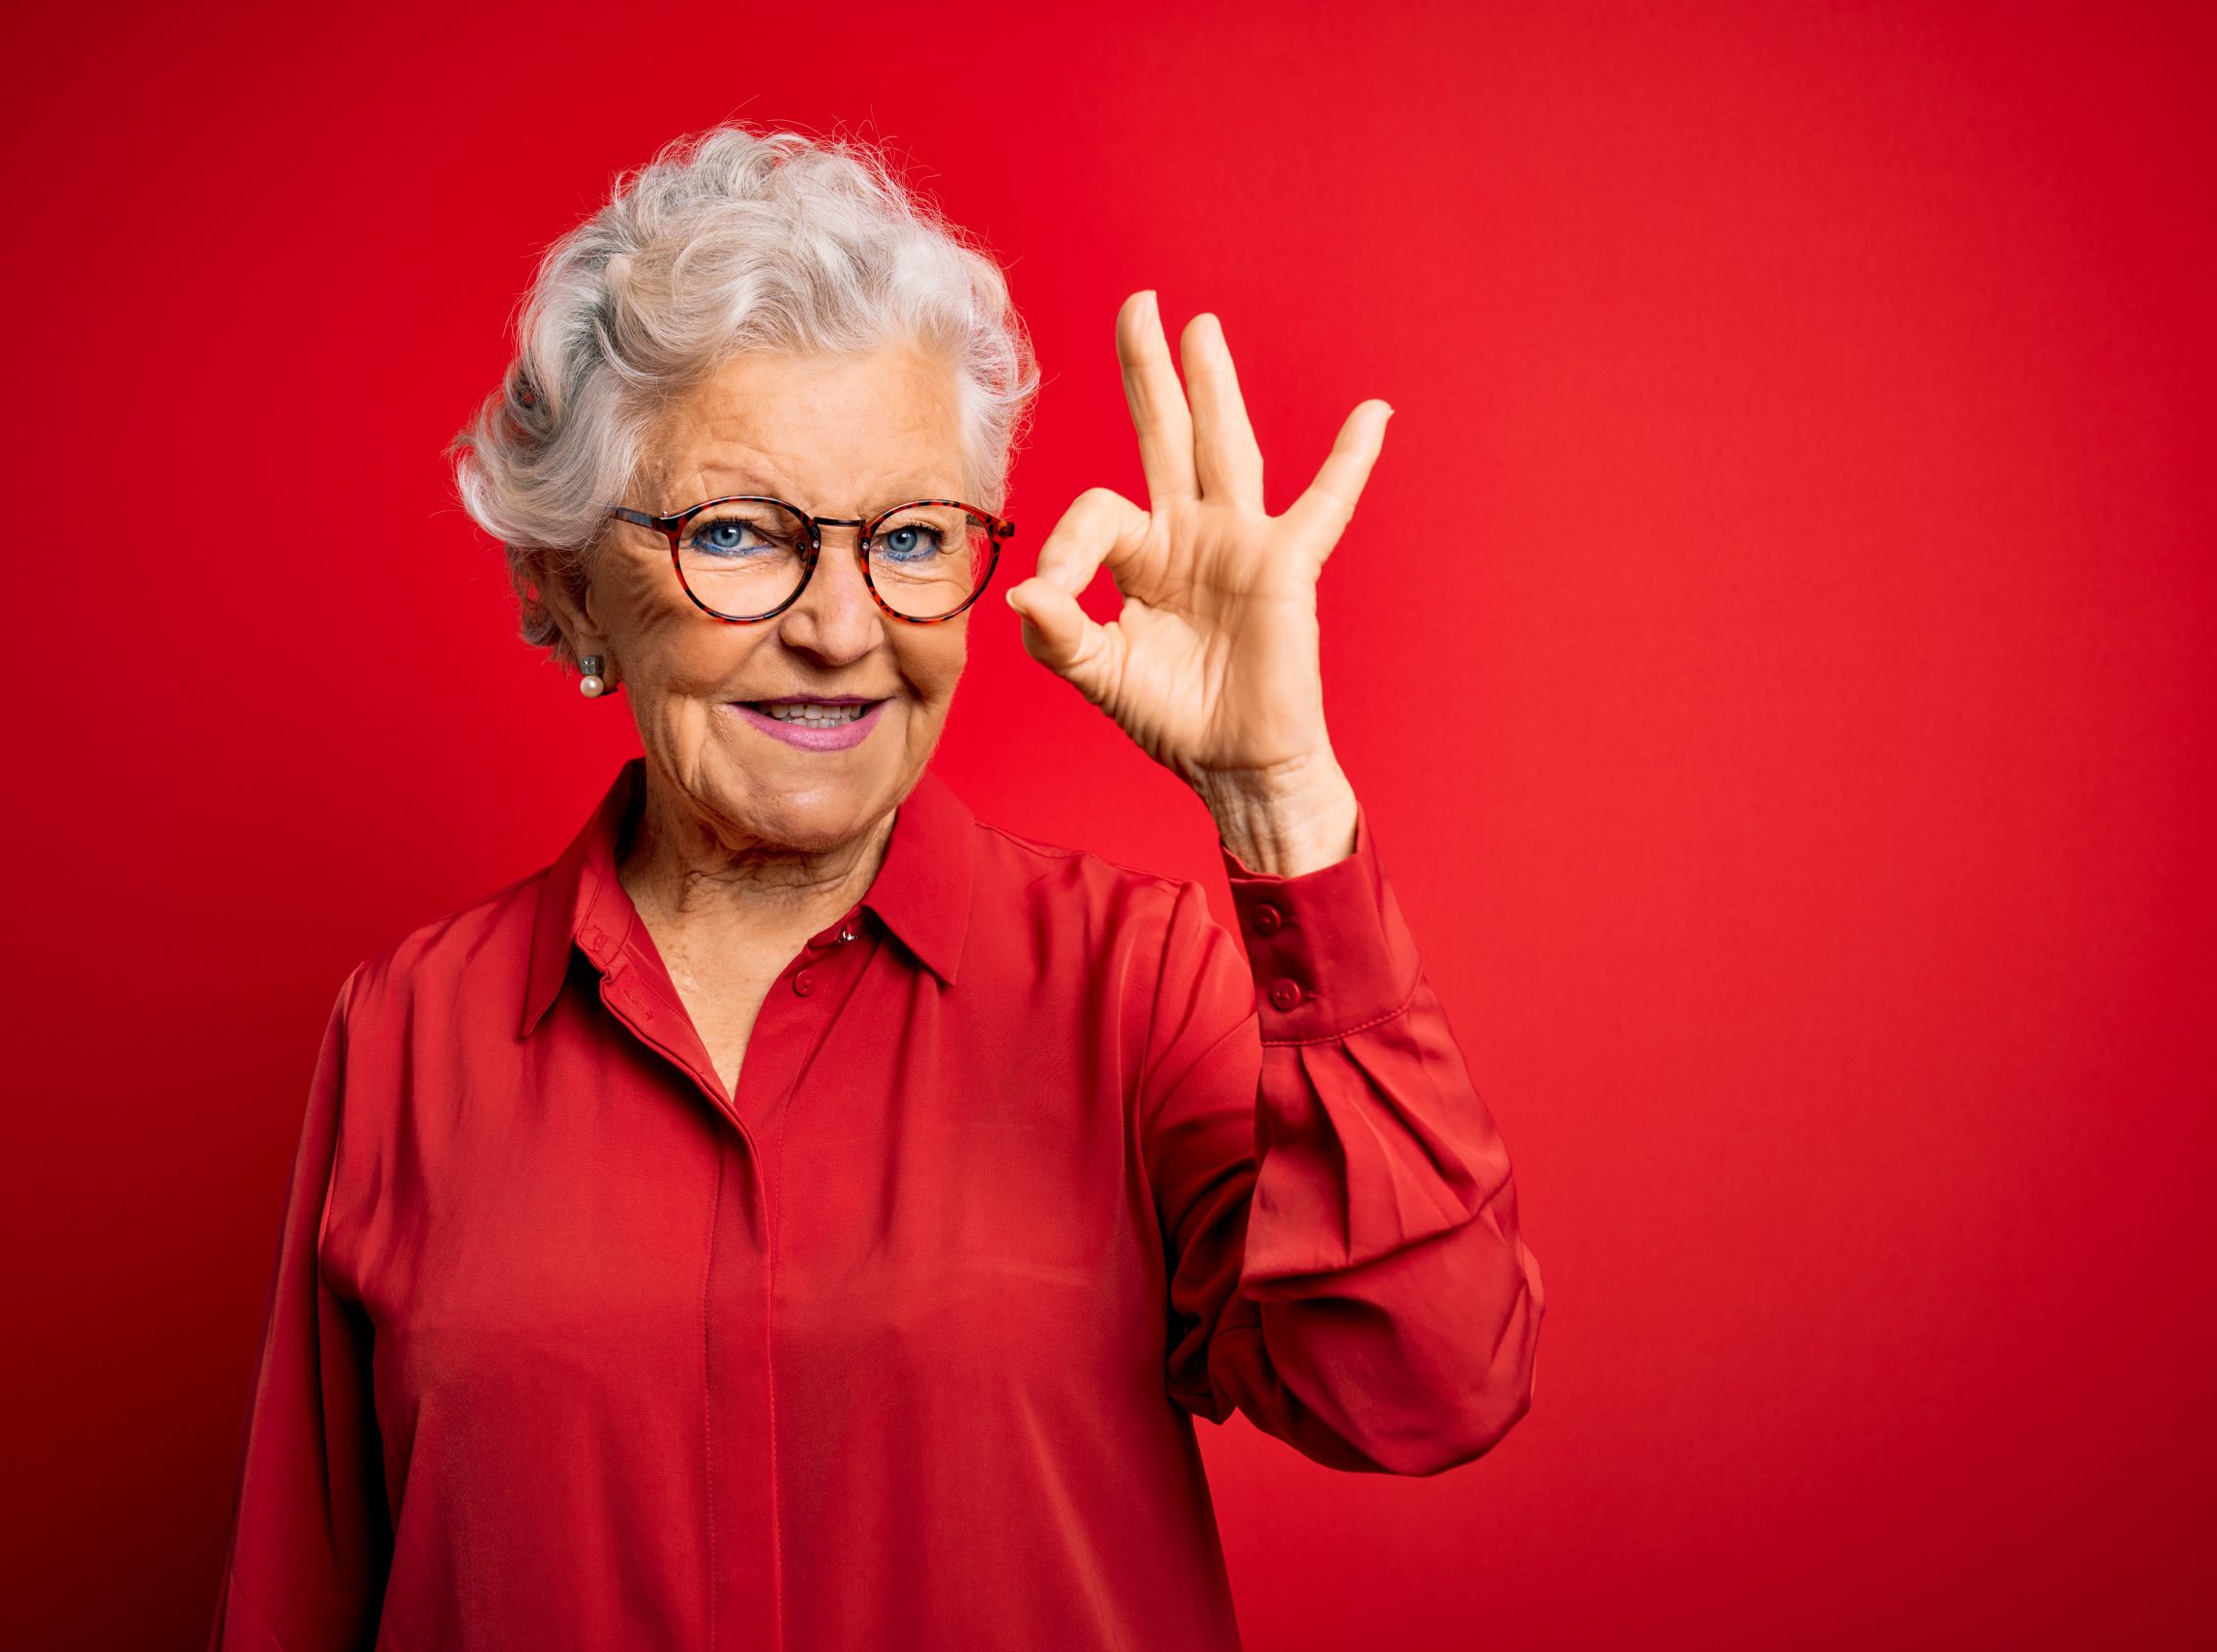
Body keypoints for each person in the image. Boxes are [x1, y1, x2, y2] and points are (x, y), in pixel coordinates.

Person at [208, 122, 1544, 1652]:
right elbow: (297, 1602)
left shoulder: (1142, 987)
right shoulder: (407, 1035)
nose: (844, 627)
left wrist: (1280, 801)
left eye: (909, 538)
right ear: (571, 584)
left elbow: (1431, 1387)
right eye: (736, 534)